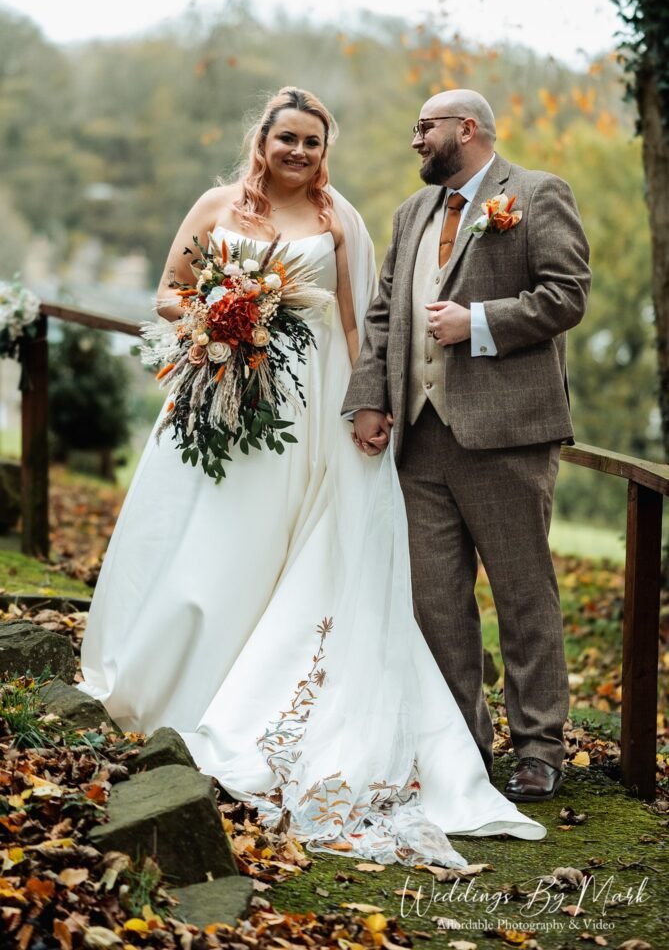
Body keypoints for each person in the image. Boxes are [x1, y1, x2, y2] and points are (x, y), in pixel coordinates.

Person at [79, 86, 547, 866]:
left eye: (312, 142)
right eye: (287, 137)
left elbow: (365, 319)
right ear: (260, 138)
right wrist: (217, 313)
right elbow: (167, 292)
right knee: (211, 544)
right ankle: (180, 684)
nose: (299, 152)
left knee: (287, 543)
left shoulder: (340, 220)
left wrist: (369, 405)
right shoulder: (216, 205)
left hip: (305, 405)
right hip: (221, 390)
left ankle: (267, 699)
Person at [344, 88, 591, 804]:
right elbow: (385, 314)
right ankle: (459, 742)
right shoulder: (410, 213)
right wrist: (368, 399)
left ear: (466, 128)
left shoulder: (537, 194)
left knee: (522, 596)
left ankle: (540, 748)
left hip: (507, 436)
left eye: (424, 127)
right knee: (436, 603)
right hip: (420, 440)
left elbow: (566, 294)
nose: (415, 139)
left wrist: (476, 321)